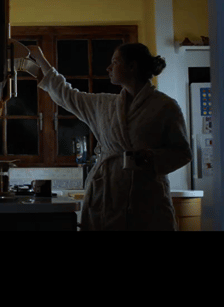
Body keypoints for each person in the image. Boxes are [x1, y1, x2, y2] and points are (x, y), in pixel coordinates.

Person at [27, 42, 192, 231]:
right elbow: (66, 94)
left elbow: (183, 153)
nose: (108, 68)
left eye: (115, 62)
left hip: (147, 202)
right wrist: (40, 58)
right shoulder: (104, 105)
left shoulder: (166, 107)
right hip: (106, 198)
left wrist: (151, 157)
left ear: (132, 66)